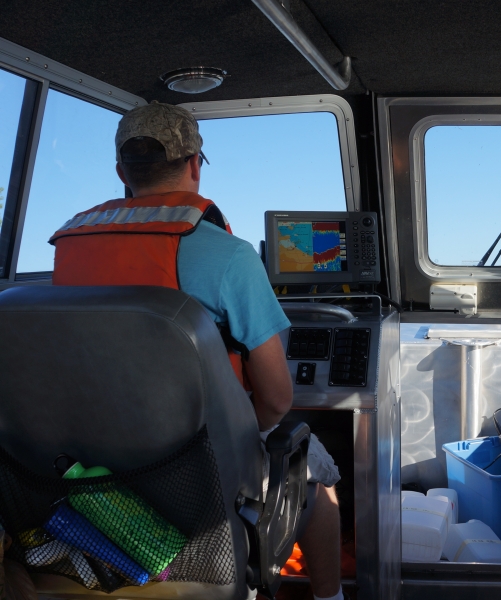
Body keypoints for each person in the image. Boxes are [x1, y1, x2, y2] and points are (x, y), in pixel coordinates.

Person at [49, 102, 345, 600]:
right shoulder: (229, 256)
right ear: (194, 165)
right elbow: (274, 400)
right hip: (202, 472)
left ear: (122, 171)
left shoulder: (68, 247)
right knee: (320, 470)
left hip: (94, 465)